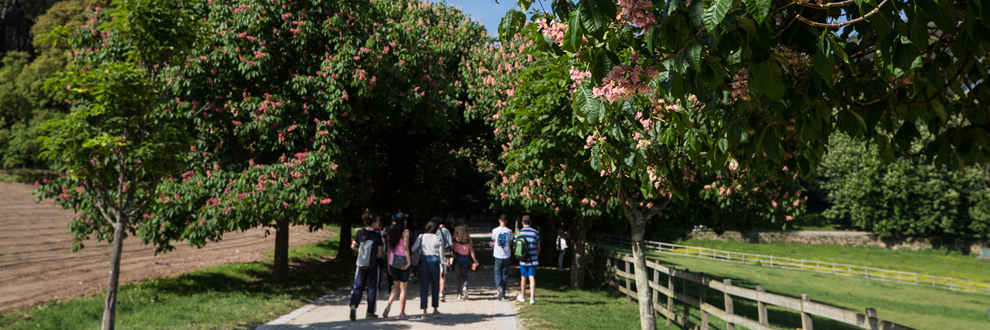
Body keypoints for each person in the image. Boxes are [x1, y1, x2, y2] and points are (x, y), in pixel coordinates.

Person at [349, 213, 383, 321]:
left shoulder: (360, 232)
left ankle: (353, 305)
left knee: (358, 286)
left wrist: (359, 251)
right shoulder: (377, 235)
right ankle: (370, 312)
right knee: (372, 288)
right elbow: (379, 252)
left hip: (361, 264)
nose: (378, 223)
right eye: (377, 221)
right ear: (373, 223)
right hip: (373, 265)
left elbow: (353, 246)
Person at [412, 218, 445, 319]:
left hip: (423, 261)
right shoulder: (438, 238)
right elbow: (441, 255)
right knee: (435, 286)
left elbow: (413, 249)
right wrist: (443, 268)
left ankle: (424, 312)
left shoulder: (421, 237)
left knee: (424, 287)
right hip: (434, 262)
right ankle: (435, 309)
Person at [383, 213, 411, 320]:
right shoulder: (406, 232)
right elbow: (405, 248)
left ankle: (388, 305)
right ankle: (402, 312)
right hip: (403, 261)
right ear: (403, 221)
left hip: (393, 261)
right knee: (403, 289)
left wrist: (388, 265)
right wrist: (408, 262)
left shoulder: (390, 231)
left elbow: (389, 249)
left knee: (395, 287)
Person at [452, 221, 479, 300]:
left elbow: (453, 249)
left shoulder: (455, 240)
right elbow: (471, 251)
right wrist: (475, 260)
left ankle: (458, 294)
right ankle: (464, 287)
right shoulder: (468, 240)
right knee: (465, 276)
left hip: (457, 258)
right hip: (465, 259)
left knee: (458, 277)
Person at [516, 215, 540, 305]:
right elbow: (538, 247)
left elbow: (516, 246)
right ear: (530, 223)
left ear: (522, 223)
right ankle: (532, 298)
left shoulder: (519, 233)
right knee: (532, 277)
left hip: (523, 259)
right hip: (533, 259)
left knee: (523, 277)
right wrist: (536, 255)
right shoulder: (535, 233)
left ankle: (522, 296)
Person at [490, 214, 513, 300]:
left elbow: (494, 241)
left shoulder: (494, 230)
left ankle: (498, 287)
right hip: (506, 254)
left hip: (497, 254)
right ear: (506, 221)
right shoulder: (509, 231)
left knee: (497, 273)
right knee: (504, 274)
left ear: (499, 220)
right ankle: (503, 293)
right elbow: (510, 243)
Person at [436, 217, 453, 302]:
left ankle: (436, 293)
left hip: (434, 255)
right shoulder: (446, 231)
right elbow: (449, 245)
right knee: (442, 275)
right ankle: (441, 293)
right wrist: (449, 259)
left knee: (435, 276)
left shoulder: (433, 231)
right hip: (444, 255)